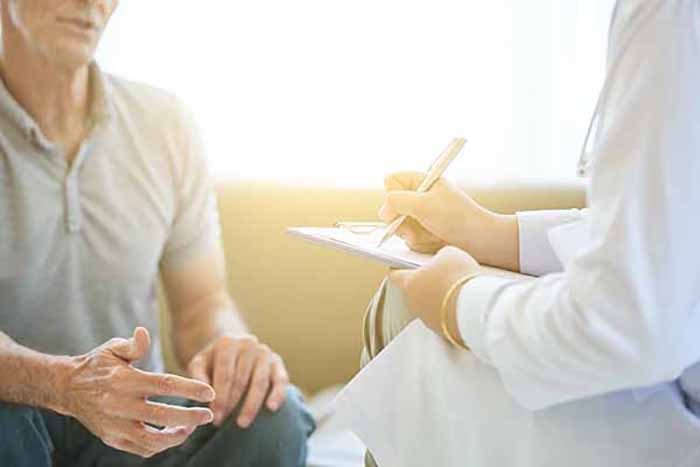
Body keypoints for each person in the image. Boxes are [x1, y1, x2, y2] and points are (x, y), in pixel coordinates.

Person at [362, 0, 700, 465]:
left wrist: (458, 303)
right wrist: (492, 233)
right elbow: (671, 234)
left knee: (402, 313)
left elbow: (624, 326)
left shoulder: (670, 15)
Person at [0, 1, 314, 466]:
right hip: (12, 425)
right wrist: (65, 386)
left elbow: (202, 307)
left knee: (274, 414)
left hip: (133, 434)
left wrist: (231, 352)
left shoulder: (164, 125)